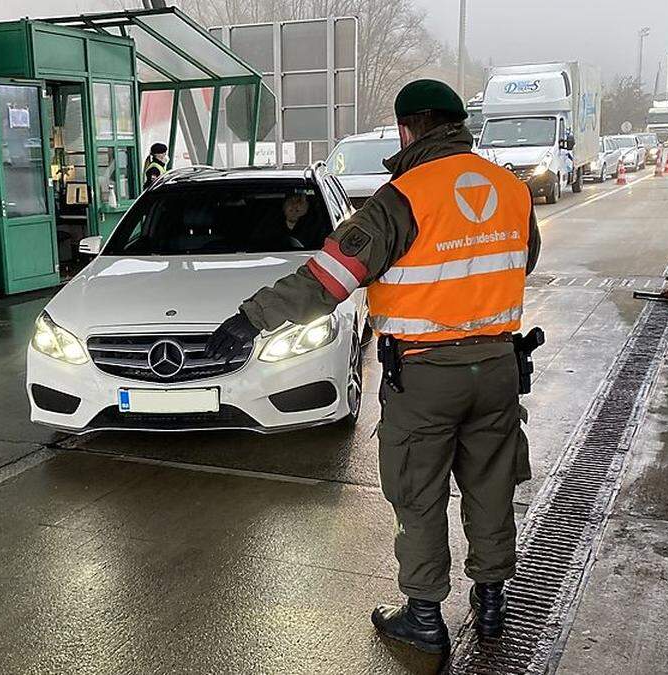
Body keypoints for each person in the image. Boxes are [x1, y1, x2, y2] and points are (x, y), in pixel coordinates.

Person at [205, 79, 541, 654]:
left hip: (425, 375)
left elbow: (328, 280)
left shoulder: (400, 198)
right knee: (491, 486)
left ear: (408, 129)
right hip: (499, 367)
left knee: (419, 492)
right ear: (459, 125)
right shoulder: (511, 188)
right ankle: (491, 604)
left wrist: (249, 320)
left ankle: (425, 616)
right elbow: (525, 257)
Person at [247, 191, 323, 251]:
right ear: (284, 205)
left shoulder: (317, 226)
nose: (295, 206)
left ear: (307, 206)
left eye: (299, 202)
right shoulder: (267, 224)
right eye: (292, 201)